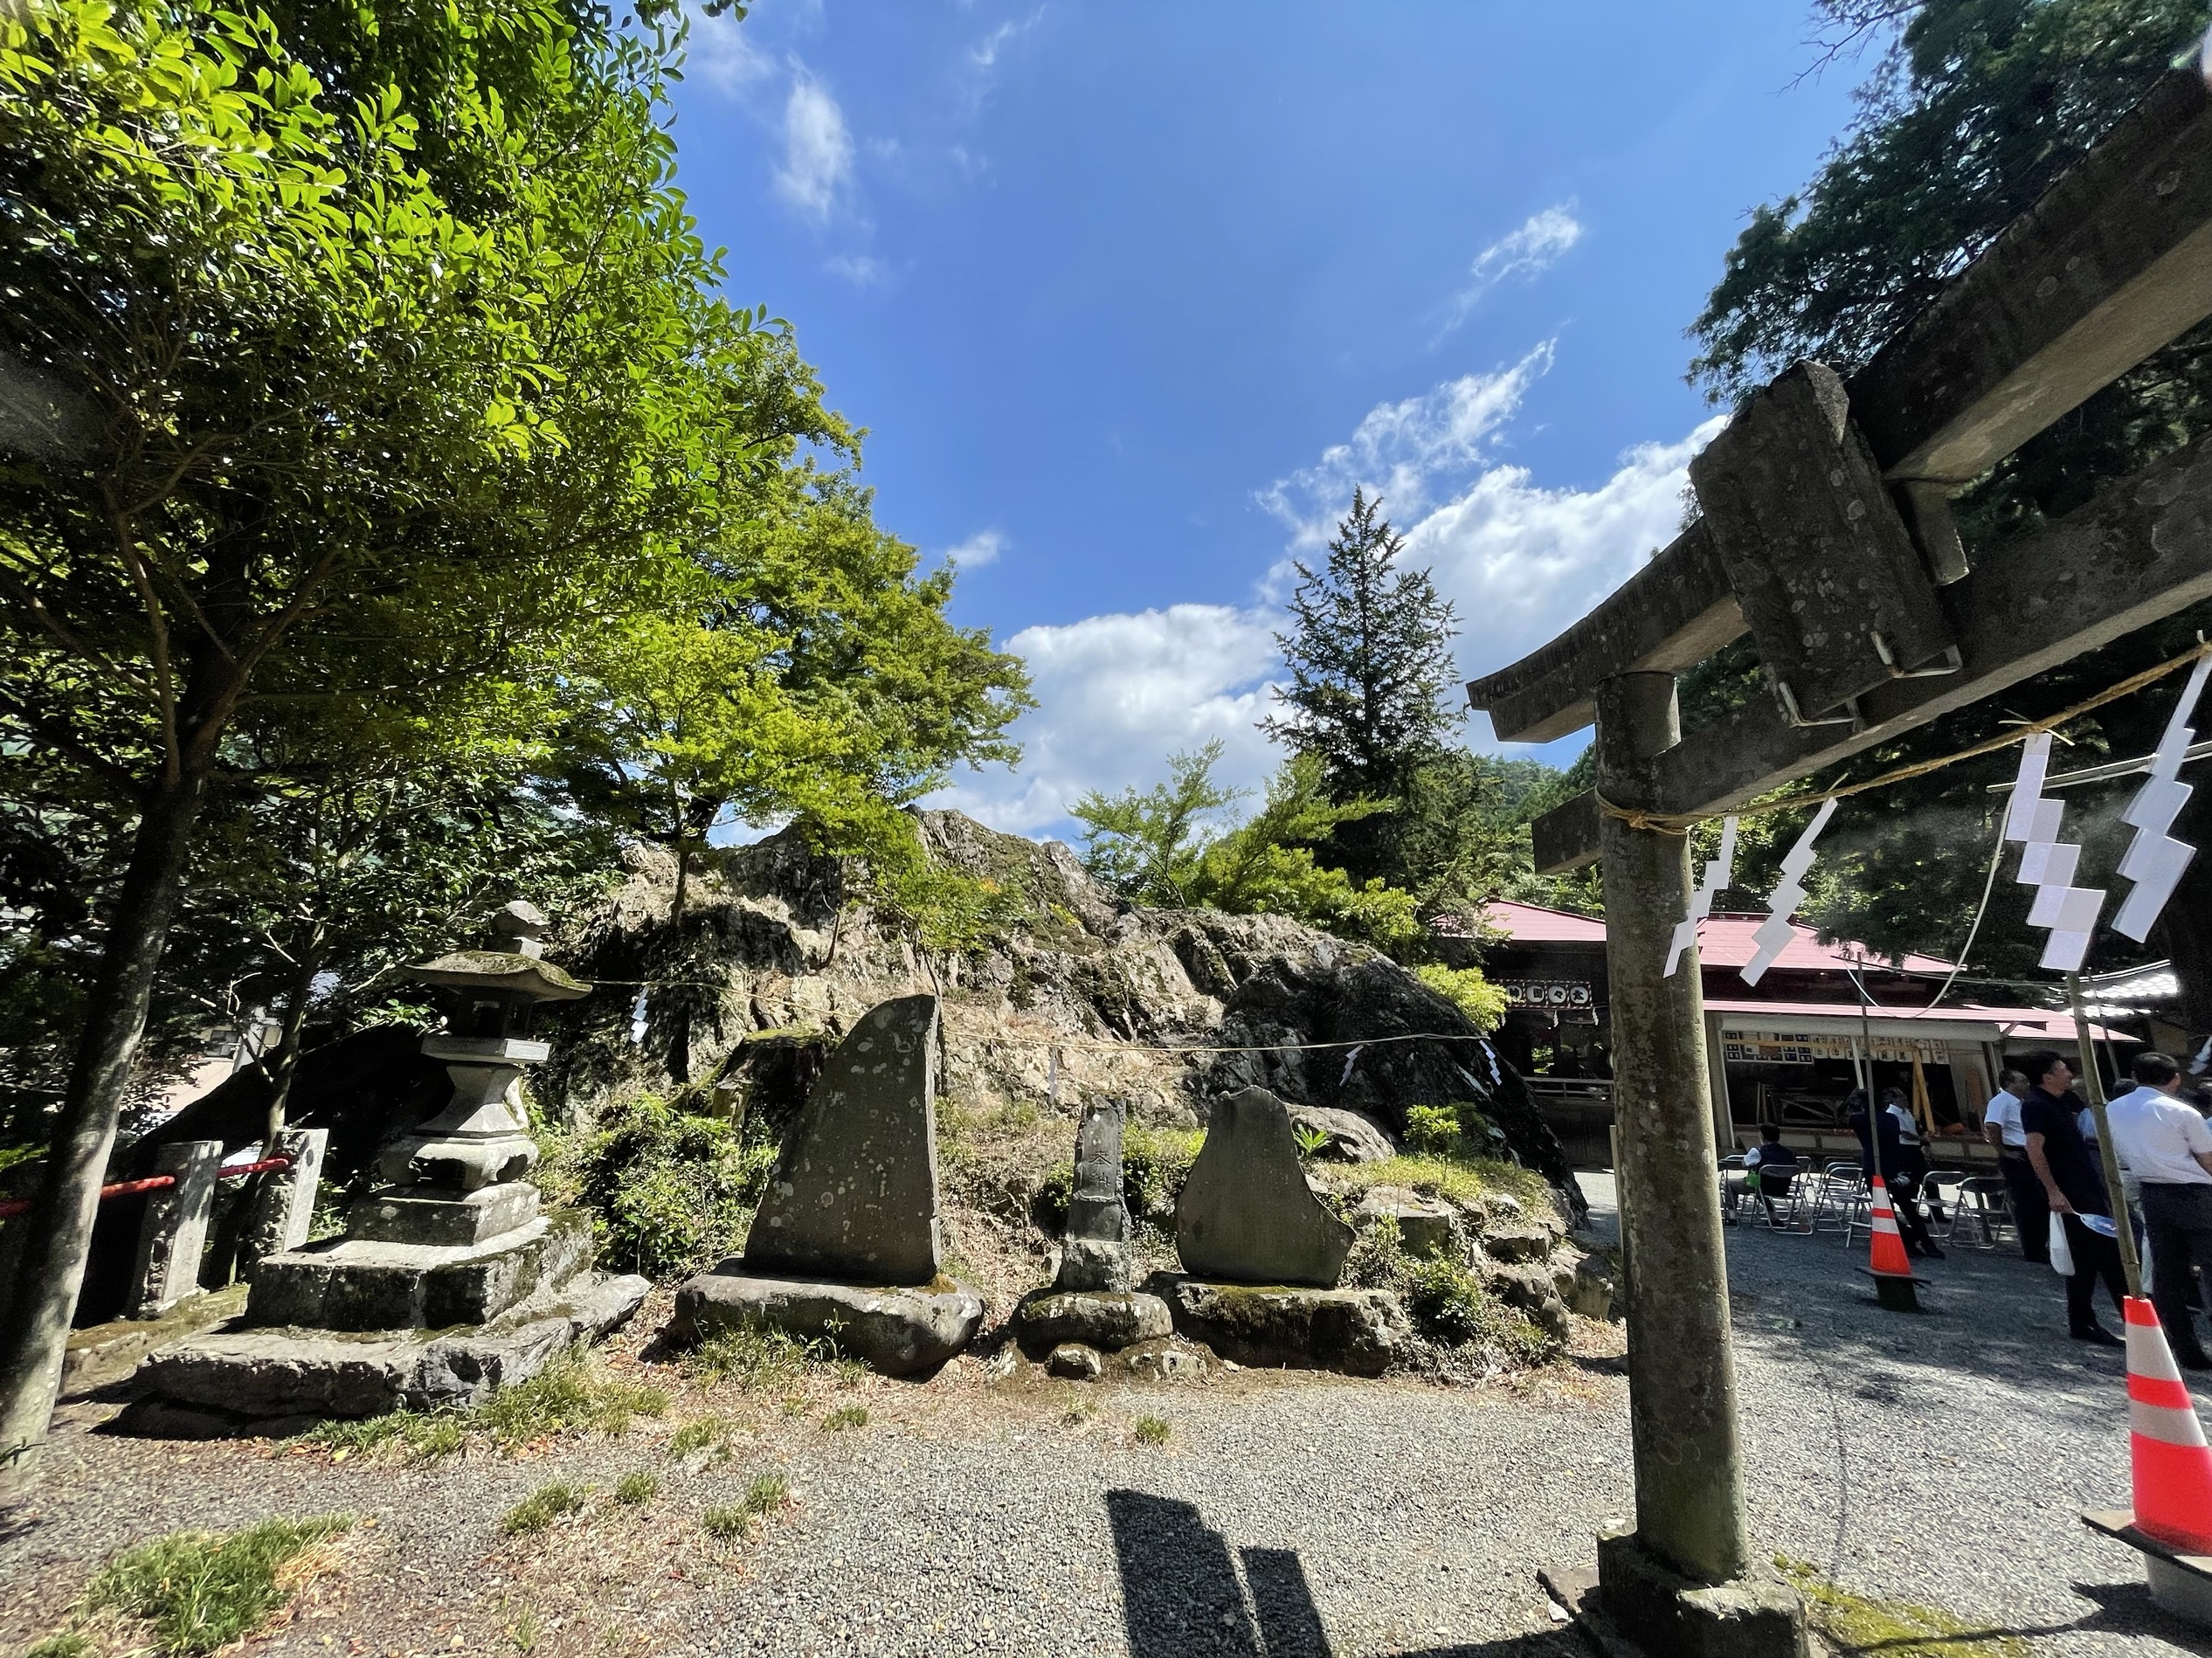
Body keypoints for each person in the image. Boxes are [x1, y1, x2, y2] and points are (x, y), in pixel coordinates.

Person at [2105, 1051, 2212, 1370]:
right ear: (2175, 1078)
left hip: (2151, 1190)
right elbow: (2207, 1159)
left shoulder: (2113, 1108)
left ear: (2136, 1076)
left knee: (2167, 1275)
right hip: (2194, 1192)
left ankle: (2184, 1347)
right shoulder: (2181, 1111)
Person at [2019, 1050, 2128, 1346]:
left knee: (2093, 1259)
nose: (2069, 1074)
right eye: (2063, 1069)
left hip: (2083, 1186)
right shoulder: (2036, 1105)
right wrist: (2054, 1191)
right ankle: (2120, 1321)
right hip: (2070, 1191)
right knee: (2102, 1256)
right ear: (2047, 1077)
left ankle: (2087, 1320)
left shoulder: (2059, 1103)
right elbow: (2034, 1148)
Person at [1849, 1088, 1942, 1258]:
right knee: (1907, 1207)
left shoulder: (1859, 1119)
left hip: (1874, 1166)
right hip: (1894, 1164)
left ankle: (1907, 1237)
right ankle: (1926, 1242)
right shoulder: (1891, 1119)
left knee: (1886, 1208)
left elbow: (1847, 1115)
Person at [1984, 1069, 2048, 1263]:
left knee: (2039, 1202)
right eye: (2023, 1081)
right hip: (2016, 1154)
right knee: (2026, 1203)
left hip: (2028, 1152)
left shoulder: (2021, 1103)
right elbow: (1992, 1126)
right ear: (2011, 1083)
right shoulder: (2001, 1101)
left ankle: (2040, 1244)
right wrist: (2003, 1151)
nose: (2028, 1084)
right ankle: (2032, 1249)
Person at [1882, 1086, 1944, 1223]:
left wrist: (1924, 1140)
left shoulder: (1907, 1113)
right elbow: (1903, 1133)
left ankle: (1936, 1213)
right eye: (1901, 1096)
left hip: (1914, 1149)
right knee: (1912, 1183)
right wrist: (1921, 1139)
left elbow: (1914, 1130)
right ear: (1893, 1099)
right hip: (1904, 1149)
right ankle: (1912, 1213)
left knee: (1929, 1180)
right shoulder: (1892, 1113)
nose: (1905, 1099)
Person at [1728, 1124, 1801, 1226]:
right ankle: (1774, 1217)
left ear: (1762, 1136)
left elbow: (1744, 1164)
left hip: (1762, 1187)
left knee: (1730, 1184)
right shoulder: (1790, 1153)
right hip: (1783, 1188)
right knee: (1764, 1186)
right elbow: (1796, 1170)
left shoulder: (1758, 1151)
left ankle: (1732, 1217)